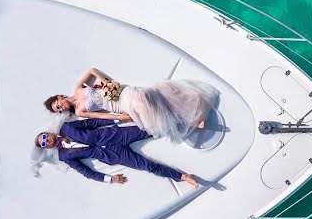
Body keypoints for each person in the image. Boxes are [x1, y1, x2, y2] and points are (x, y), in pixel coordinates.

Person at [44, 68, 219, 142]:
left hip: (123, 93)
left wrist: (105, 82)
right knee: (151, 120)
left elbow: (91, 70)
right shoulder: (80, 111)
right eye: (58, 110)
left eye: (57, 105)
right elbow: (101, 115)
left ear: (59, 97)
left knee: (145, 98)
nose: (60, 108)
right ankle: (189, 119)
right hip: (119, 107)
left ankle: (191, 118)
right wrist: (119, 117)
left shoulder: (78, 88)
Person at [36, 117, 200, 188]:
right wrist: (109, 179)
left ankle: (190, 123)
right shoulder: (64, 157)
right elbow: (86, 172)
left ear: (48, 133)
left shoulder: (67, 127)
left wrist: (116, 119)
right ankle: (182, 177)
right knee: (147, 167)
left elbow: (93, 122)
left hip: (115, 135)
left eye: (44, 137)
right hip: (113, 155)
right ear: (46, 147)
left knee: (151, 130)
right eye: (43, 143)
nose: (46, 140)